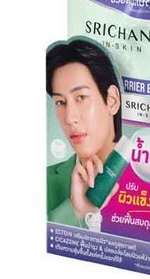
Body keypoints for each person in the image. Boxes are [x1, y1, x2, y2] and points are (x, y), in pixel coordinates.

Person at [46, 38, 122, 228]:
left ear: (111, 101)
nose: (69, 118)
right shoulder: (45, 182)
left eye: (80, 97)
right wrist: (75, 210)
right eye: (60, 102)